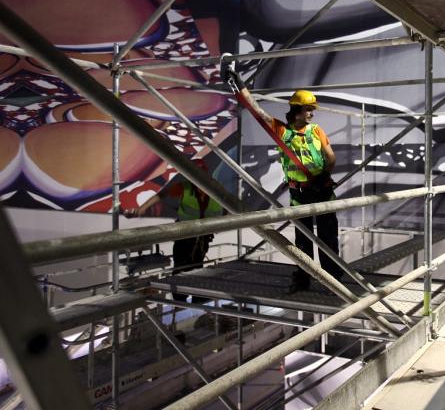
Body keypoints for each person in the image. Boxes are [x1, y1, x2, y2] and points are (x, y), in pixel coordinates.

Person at [232, 79, 343, 290]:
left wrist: (323, 176)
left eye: (312, 109)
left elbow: (331, 158)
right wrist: (238, 83)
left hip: (322, 191)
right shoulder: (282, 131)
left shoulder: (316, 130)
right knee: (303, 241)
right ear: (297, 109)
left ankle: (333, 281)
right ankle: (303, 279)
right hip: (300, 194)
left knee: (329, 237)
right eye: (308, 109)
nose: (312, 113)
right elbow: (257, 111)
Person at [124, 159, 222, 301]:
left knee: (196, 265)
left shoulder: (214, 189)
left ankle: (196, 296)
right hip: (185, 235)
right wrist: (141, 209)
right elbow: (162, 194)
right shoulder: (185, 188)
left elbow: (224, 207)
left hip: (202, 237)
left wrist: (223, 222)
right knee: (182, 266)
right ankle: (180, 297)